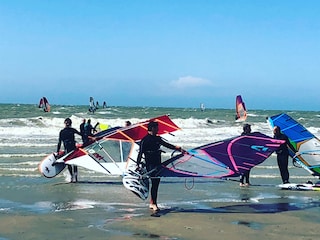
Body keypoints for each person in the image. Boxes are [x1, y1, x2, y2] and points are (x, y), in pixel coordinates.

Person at [136, 121, 186, 212]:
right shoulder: (145, 140)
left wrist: (177, 148)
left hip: (158, 162)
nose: (158, 129)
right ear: (152, 129)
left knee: (156, 183)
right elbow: (140, 153)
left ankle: (152, 202)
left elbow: (166, 145)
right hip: (150, 164)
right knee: (154, 182)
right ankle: (153, 203)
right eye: (156, 128)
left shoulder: (157, 138)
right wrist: (137, 164)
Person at [57, 118, 82, 182]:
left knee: (71, 163)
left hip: (70, 149)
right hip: (71, 149)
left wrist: (57, 152)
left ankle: (73, 177)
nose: (67, 124)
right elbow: (59, 142)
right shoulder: (68, 130)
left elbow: (59, 142)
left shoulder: (64, 131)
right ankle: (74, 177)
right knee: (72, 163)